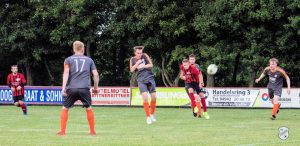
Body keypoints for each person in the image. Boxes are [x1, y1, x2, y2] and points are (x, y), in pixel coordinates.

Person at [57, 41, 100, 135]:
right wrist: (95, 88)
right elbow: (96, 75)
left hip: (71, 88)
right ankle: (92, 131)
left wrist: (63, 88)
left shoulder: (68, 60)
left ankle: (62, 131)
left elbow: (66, 73)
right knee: (89, 108)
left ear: (74, 49)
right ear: (82, 49)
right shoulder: (89, 60)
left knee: (65, 108)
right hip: (84, 88)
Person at [129, 46, 157, 125]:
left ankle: (152, 114)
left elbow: (151, 65)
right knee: (145, 98)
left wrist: (143, 66)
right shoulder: (132, 59)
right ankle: (148, 116)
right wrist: (137, 64)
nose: (140, 54)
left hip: (150, 78)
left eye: (140, 53)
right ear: (135, 53)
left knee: (154, 97)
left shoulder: (145, 55)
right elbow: (131, 70)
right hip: (141, 80)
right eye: (138, 53)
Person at [187, 54, 210, 119]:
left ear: (195, 60)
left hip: (196, 84)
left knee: (199, 97)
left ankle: (197, 113)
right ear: (189, 60)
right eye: (190, 59)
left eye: (193, 59)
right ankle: (197, 113)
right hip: (189, 85)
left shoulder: (197, 66)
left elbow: (200, 74)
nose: (192, 60)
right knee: (196, 97)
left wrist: (201, 82)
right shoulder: (186, 66)